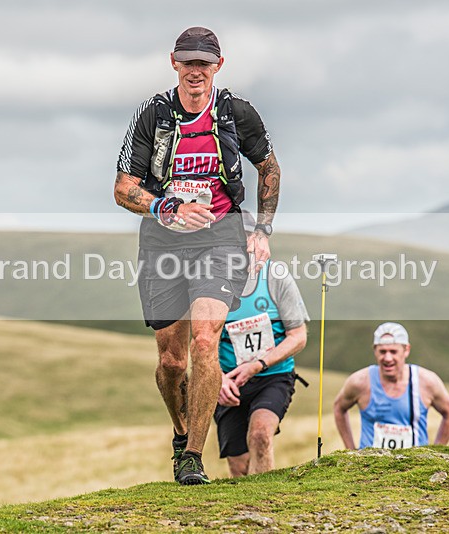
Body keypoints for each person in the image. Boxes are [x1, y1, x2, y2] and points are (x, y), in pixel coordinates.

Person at [114, 27, 280, 484]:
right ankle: (180, 428)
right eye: (187, 62)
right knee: (172, 362)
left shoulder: (234, 113)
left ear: (217, 67)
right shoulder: (153, 115)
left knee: (206, 340)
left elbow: (268, 167)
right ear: (173, 63)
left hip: (221, 237)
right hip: (163, 241)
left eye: (203, 63)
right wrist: (167, 205)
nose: (195, 71)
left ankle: (192, 455)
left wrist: (262, 229)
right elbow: (123, 188)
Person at [214, 211, 309, 477]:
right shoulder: (211, 281)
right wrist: (218, 379)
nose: (241, 244)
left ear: (257, 239)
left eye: (246, 237)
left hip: (272, 376)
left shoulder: (276, 276)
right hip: (228, 382)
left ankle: (264, 506)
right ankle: (244, 511)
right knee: (238, 463)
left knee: (260, 435)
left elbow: (298, 335)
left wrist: (259, 364)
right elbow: (199, 342)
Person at [332, 322, 449, 450]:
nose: (387, 358)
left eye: (393, 351)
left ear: (406, 350)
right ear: (375, 350)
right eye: (382, 351)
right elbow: (339, 407)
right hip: (368, 467)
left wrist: (436, 453)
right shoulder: (359, 382)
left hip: (415, 466)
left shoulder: (427, 381)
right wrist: (350, 451)